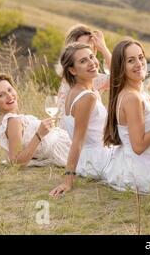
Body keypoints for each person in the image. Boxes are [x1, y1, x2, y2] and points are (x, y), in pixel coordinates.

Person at [103, 38, 150, 193]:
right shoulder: (131, 98)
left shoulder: (136, 92)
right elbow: (139, 146)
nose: (139, 63)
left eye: (141, 57)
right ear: (121, 67)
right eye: (131, 60)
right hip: (145, 171)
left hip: (137, 164)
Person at [50, 43, 113, 197]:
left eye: (92, 57)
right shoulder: (87, 97)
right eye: (83, 61)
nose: (92, 63)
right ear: (72, 70)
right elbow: (78, 140)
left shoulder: (74, 92)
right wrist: (68, 181)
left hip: (88, 160)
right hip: (99, 160)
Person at [0, 73, 70, 167]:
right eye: (1, 95)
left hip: (64, 141)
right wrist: (39, 134)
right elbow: (16, 161)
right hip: (64, 148)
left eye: (9, 89)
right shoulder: (13, 120)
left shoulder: (9, 120)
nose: (9, 95)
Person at [56, 24, 112, 130]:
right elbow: (121, 77)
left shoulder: (88, 78)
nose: (85, 51)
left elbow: (121, 77)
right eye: (81, 47)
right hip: (71, 139)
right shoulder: (77, 81)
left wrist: (103, 47)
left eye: (90, 48)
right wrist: (104, 49)